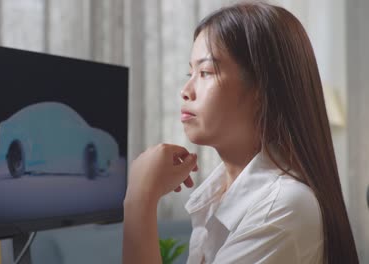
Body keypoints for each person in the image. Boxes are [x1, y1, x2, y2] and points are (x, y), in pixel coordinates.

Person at [122, 2, 359, 264]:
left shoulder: (283, 207)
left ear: (262, 89)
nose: (186, 90)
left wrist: (139, 199)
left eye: (205, 72)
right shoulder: (215, 196)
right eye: (189, 73)